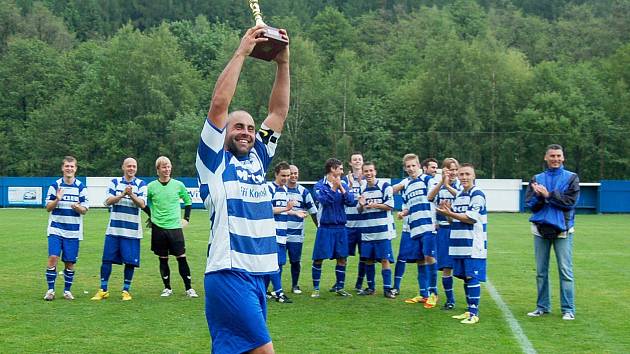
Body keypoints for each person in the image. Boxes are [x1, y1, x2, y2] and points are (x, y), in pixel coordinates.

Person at [195, 24, 290, 354]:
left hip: (258, 277)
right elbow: (219, 104)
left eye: (250, 128)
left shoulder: (259, 158)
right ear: (223, 133)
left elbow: (278, 112)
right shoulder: (213, 161)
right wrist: (242, 52)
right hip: (229, 272)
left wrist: (283, 63)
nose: (246, 132)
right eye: (238, 127)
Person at [525, 144, 579, 321]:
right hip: (540, 230)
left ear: (563, 158)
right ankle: (542, 307)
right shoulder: (537, 178)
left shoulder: (571, 177)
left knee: (565, 271)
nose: (555, 159)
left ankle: (568, 309)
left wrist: (548, 195)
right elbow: (530, 205)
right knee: (541, 271)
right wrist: (539, 197)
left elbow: (570, 202)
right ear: (545, 158)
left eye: (558, 156)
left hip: (563, 229)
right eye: (552, 156)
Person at [436, 163, 487, 325]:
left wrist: (450, 213)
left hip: (473, 244)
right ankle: (468, 310)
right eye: (462, 174)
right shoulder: (459, 195)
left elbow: (471, 218)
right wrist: (447, 213)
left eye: (467, 174)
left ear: (474, 176)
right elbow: (454, 220)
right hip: (458, 243)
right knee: (465, 277)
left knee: (472, 276)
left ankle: (474, 312)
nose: (464, 177)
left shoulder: (477, 194)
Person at [91, 158, 147, 301]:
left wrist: (131, 195)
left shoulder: (141, 184)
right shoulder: (114, 183)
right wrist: (122, 194)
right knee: (107, 259)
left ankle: (126, 291)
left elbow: (142, 204)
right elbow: (107, 201)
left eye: (134, 166)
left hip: (132, 231)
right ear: (123, 167)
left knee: (130, 262)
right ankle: (103, 289)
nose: (131, 168)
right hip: (114, 230)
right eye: (129, 166)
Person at [145, 156, 197, 298]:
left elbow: (188, 201)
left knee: (181, 257)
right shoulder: (151, 187)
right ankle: (167, 288)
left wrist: (186, 218)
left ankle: (189, 288)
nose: (167, 169)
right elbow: (145, 204)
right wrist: (152, 216)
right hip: (158, 228)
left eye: (168, 166)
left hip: (175, 227)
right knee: (163, 258)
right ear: (158, 170)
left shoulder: (178, 185)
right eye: (163, 167)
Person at [393, 154, 437, 308]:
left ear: (419, 166)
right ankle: (423, 293)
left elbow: (434, 197)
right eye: (408, 166)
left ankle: (434, 293)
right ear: (405, 168)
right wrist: (403, 213)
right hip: (415, 227)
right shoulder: (408, 185)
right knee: (420, 260)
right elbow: (410, 207)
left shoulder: (427, 180)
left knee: (429, 257)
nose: (411, 169)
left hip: (428, 226)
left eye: (413, 165)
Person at [43, 156, 89, 301]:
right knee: (53, 257)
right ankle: (50, 290)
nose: (69, 169)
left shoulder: (81, 187)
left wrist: (77, 207)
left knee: (70, 262)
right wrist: (57, 199)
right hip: (56, 229)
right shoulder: (55, 185)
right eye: (67, 166)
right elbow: (48, 208)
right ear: (62, 168)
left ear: (75, 169)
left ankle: (67, 291)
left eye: (72, 166)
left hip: (73, 231)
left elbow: (85, 209)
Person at [311, 158, 356, 298]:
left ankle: (340, 287)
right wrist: (334, 188)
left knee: (342, 258)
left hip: (341, 227)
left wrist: (342, 188)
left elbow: (351, 201)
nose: (342, 172)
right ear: (332, 169)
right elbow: (324, 200)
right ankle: (316, 288)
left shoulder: (343, 184)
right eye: (340, 169)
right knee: (318, 258)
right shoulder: (319, 185)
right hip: (325, 227)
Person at [355, 162, 396, 298]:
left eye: (371, 171)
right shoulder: (362, 188)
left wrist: (374, 205)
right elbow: (359, 209)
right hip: (367, 231)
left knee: (385, 259)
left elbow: (390, 205)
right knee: (368, 260)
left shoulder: (385, 186)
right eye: (366, 171)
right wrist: (361, 205)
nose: (368, 174)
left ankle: (387, 289)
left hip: (382, 230)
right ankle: (371, 287)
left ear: (375, 171)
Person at [267, 161, 306, 303]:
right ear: (276, 174)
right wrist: (286, 209)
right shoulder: (269, 188)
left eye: (288, 175)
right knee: (275, 263)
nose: (286, 178)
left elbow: (283, 210)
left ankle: (265, 291)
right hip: (271, 233)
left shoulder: (284, 190)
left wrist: (295, 213)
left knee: (279, 263)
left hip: (282, 232)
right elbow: (266, 209)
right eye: (283, 175)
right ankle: (279, 293)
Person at [428, 158, 460, 310]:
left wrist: (448, 185)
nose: (452, 173)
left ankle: (471, 301)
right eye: (449, 169)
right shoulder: (438, 185)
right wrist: (442, 183)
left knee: (464, 267)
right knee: (446, 266)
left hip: (460, 230)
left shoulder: (461, 184)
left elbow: (461, 196)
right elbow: (429, 197)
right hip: (444, 230)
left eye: (454, 169)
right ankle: (450, 300)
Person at [286, 164, 318, 294]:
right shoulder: (280, 190)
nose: (293, 176)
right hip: (279, 233)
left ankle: (295, 285)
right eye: (291, 173)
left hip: (296, 234)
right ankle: (277, 288)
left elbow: (313, 212)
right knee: (278, 262)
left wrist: (319, 228)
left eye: (295, 173)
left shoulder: (304, 192)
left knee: (295, 261)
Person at [343, 152, 366, 292]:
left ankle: (359, 284)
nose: (357, 161)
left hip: (363, 225)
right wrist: (350, 186)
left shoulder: (367, 179)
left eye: (359, 159)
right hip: (348, 224)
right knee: (343, 255)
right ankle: (340, 283)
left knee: (363, 256)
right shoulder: (345, 180)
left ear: (362, 162)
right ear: (350, 163)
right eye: (354, 160)